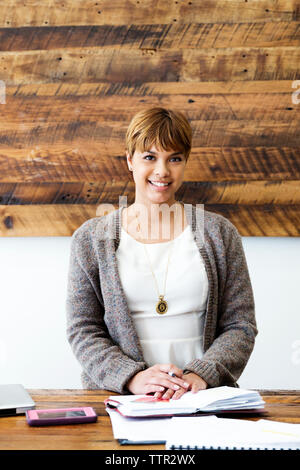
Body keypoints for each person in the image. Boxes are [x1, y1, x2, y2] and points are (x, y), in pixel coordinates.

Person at [66, 107, 258, 400]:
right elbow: (83, 330)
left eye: (175, 158)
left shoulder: (220, 234)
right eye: (149, 157)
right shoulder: (91, 240)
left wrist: (201, 375)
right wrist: (131, 377)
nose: (162, 171)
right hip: (122, 401)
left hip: (202, 400)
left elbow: (240, 326)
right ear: (130, 160)